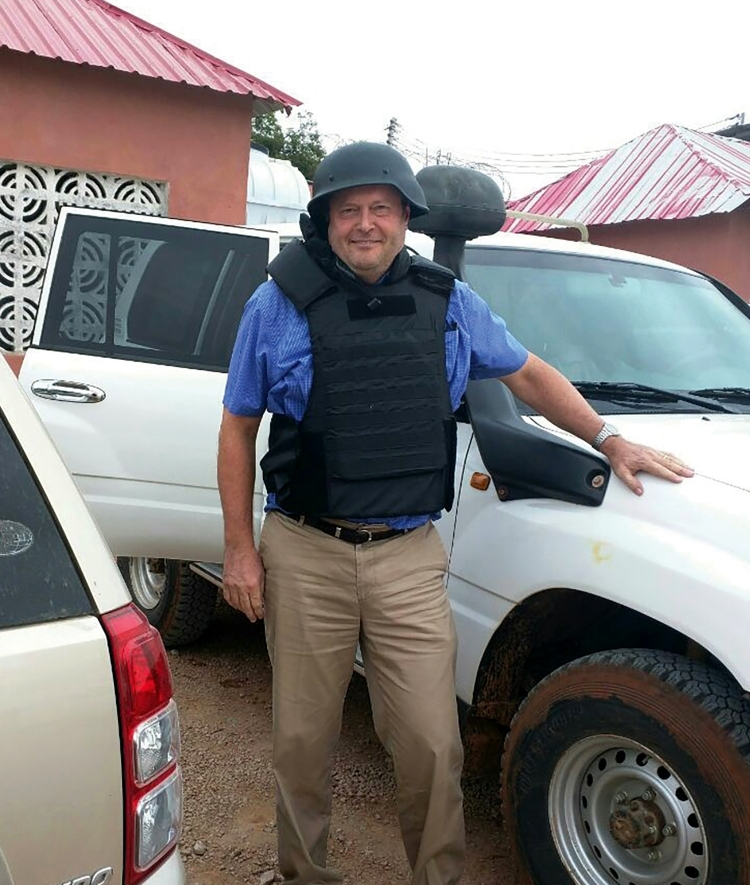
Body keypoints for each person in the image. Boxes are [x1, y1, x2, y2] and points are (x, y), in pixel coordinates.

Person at [217, 142, 693, 885]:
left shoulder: (449, 301)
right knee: (302, 740)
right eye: (350, 210)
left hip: (408, 552)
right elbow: (238, 425)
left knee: (432, 744)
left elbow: (528, 374)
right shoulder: (275, 302)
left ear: (406, 216)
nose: (365, 223)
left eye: (381, 209)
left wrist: (609, 436)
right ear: (327, 220)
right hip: (305, 551)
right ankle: (302, 873)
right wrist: (240, 550)